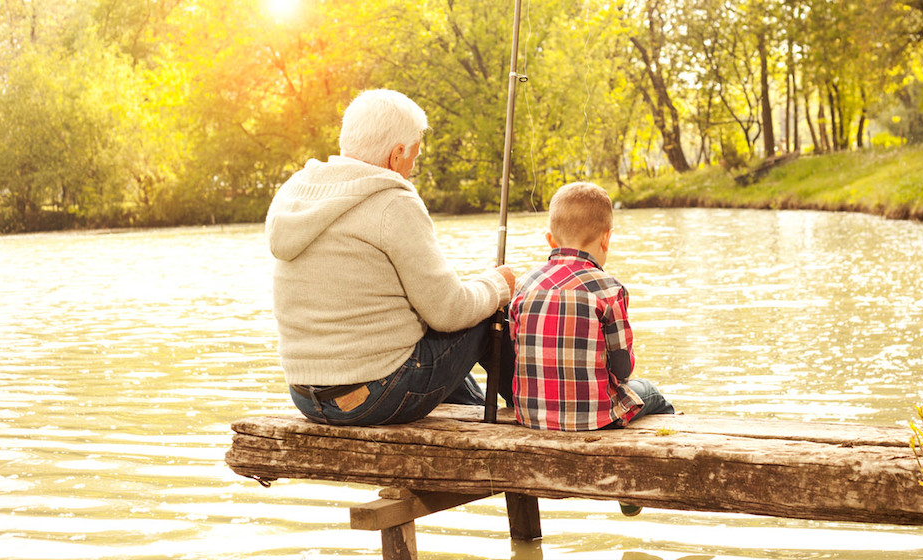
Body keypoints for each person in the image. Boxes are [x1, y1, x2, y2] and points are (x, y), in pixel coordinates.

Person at [266, 89, 515, 426]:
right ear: (396, 154)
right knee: (486, 311)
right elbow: (449, 310)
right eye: (415, 154)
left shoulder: (294, 193)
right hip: (376, 395)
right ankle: (536, 407)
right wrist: (498, 284)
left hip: (306, 396)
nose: (413, 165)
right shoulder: (393, 202)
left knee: (430, 336)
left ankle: (473, 411)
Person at [509, 182, 675, 432]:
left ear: (550, 239)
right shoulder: (609, 289)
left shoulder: (522, 286)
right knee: (650, 392)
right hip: (595, 420)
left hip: (531, 416)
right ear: (607, 238)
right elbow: (622, 369)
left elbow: (516, 349)